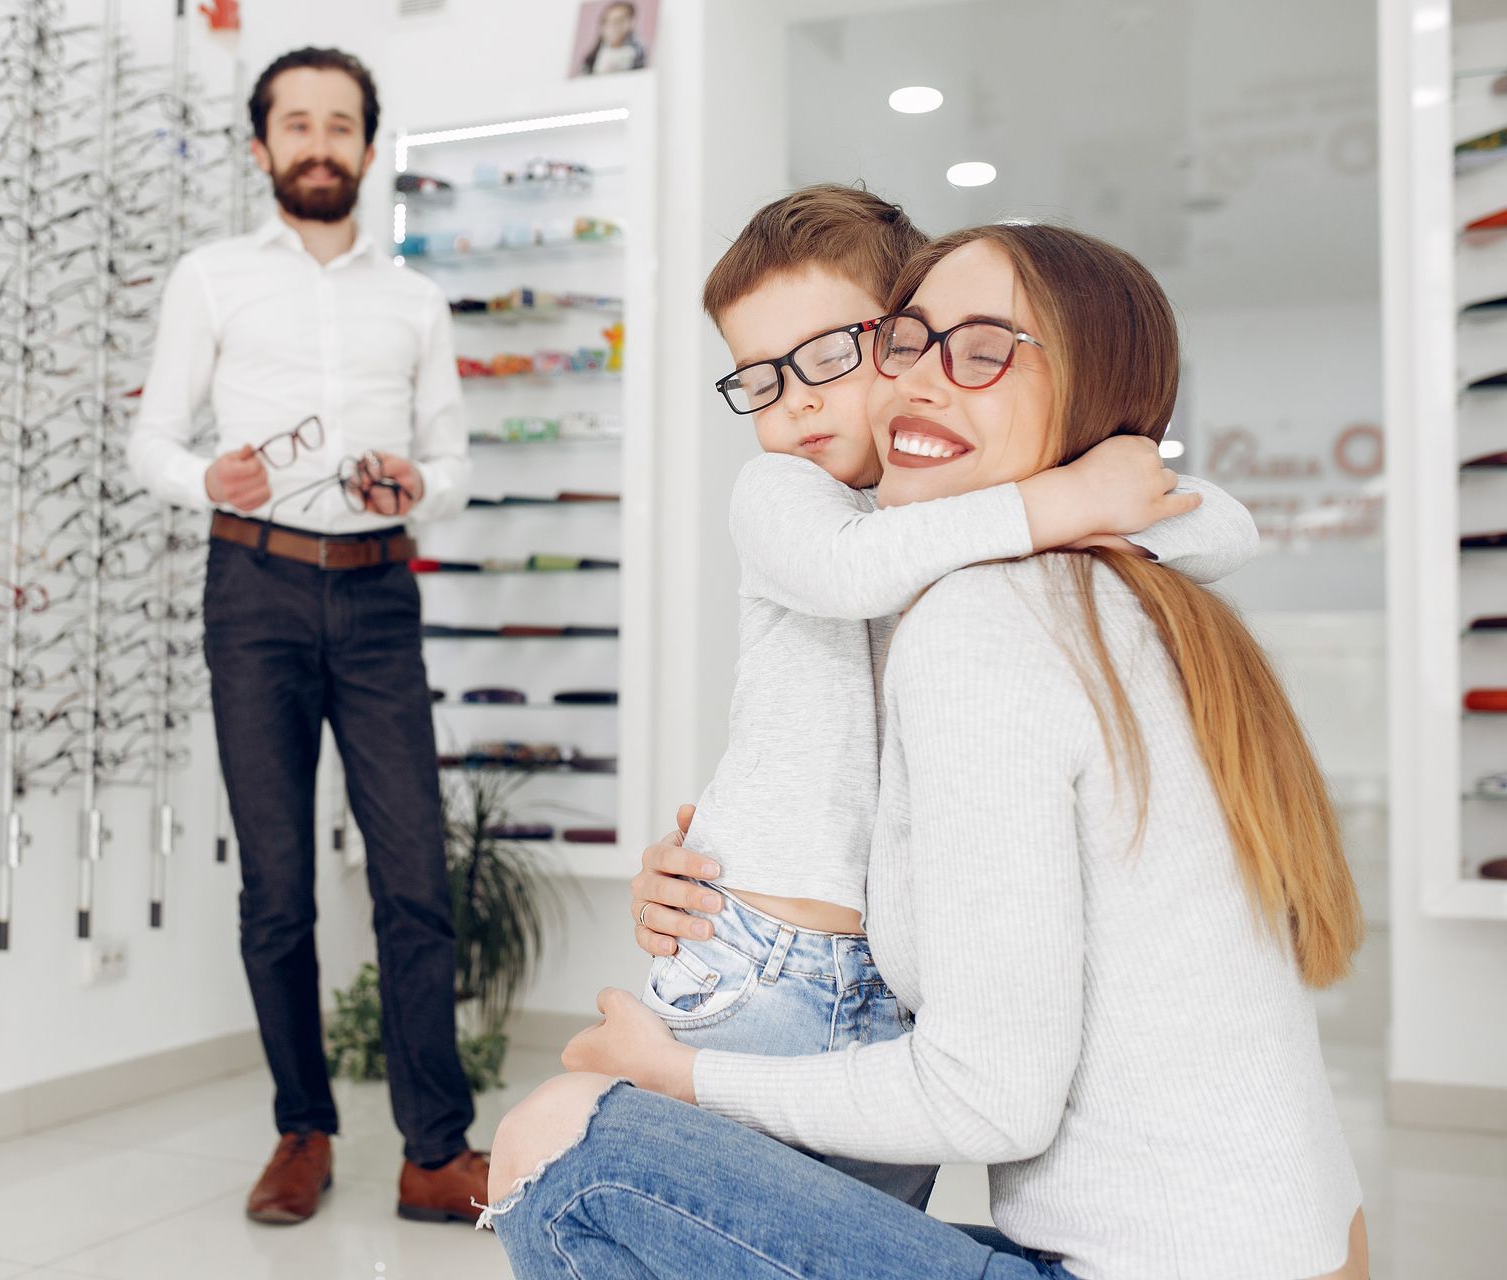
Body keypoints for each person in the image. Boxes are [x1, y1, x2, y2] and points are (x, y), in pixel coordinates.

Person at [481, 224, 1370, 1279]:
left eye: (983, 350)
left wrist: (678, 1074)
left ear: (1088, 401)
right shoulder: (1124, 601)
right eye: (909, 341)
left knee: (555, 1144)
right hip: (1302, 1246)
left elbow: (988, 1094)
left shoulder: (985, 620)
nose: (914, 382)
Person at [632, 185, 1259, 1212]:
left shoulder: (966, 505)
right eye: (757, 376)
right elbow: (855, 571)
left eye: (834, 354)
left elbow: (1222, 527)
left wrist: (1103, 483)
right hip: (766, 964)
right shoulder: (789, 498)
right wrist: (1069, 498)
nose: (795, 403)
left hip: (903, 994)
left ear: (917, 337)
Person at [126, 46, 487, 1227]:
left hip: (380, 597)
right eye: (298, 123)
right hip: (256, 591)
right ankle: (303, 1130)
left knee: (415, 882)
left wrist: (412, 486)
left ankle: (436, 1150)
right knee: (277, 888)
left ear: (369, 150)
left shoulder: (415, 299)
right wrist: (207, 478)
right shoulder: (213, 278)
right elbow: (151, 444)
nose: (320, 143)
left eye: (341, 124)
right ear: (262, 147)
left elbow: (457, 468)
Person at [579, 1, 649, 74]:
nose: (613, 27)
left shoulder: (639, 52)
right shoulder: (590, 59)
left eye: (619, 20)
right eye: (608, 22)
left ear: (631, 23)